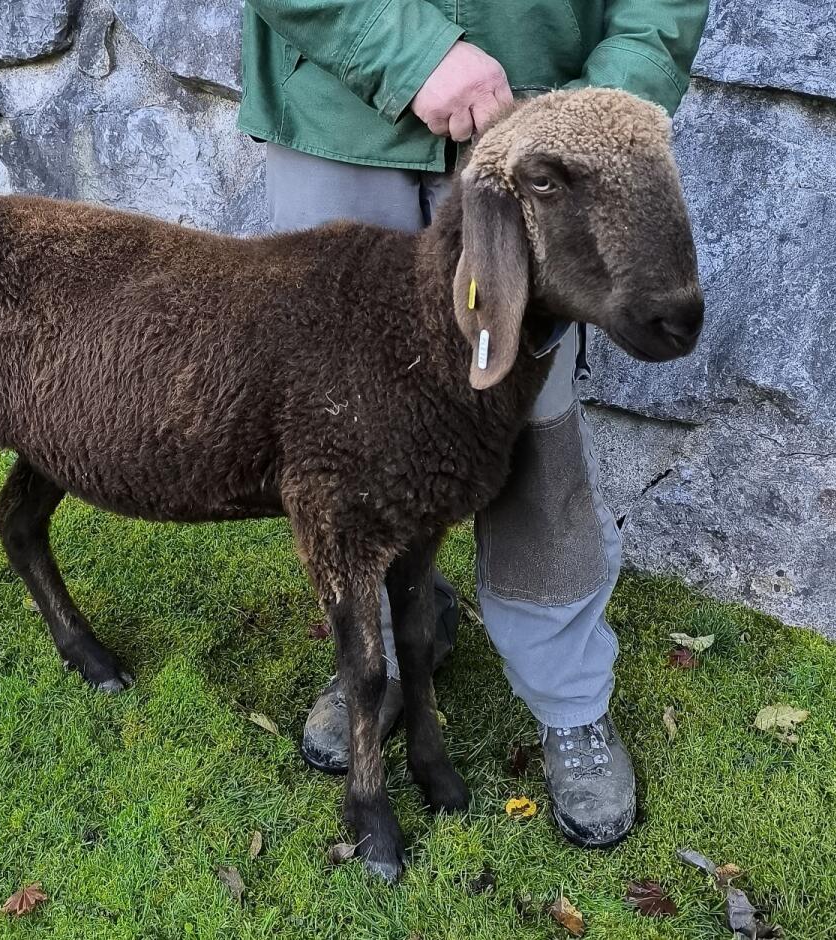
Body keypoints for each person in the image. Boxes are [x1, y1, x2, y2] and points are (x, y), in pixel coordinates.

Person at [237, 0, 709, 848]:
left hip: (546, 137)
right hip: (338, 114)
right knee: (346, 435)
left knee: (537, 431)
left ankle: (569, 696)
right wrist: (405, 49)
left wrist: (592, 118)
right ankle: (375, 656)